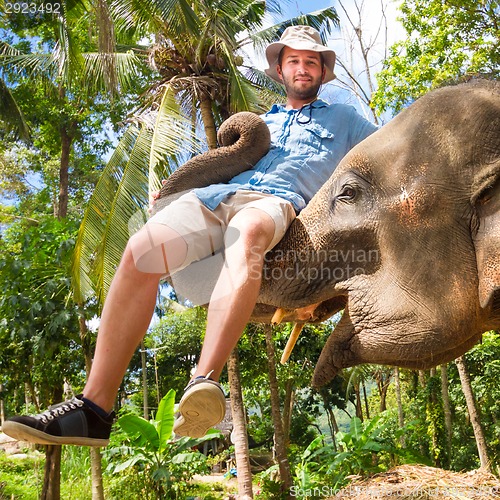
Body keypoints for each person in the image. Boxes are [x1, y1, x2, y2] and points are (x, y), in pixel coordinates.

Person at [2, 25, 377, 446]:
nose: (302, 68)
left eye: (311, 61)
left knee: (247, 231)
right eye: (294, 60)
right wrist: (182, 184)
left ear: (322, 72)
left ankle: (204, 380)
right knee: (139, 251)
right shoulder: (263, 121)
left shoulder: (345, 120)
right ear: (281, 68)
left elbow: (387, 156)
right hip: (216, 197)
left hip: (277, 204)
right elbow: (223, 159)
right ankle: (93, 409)